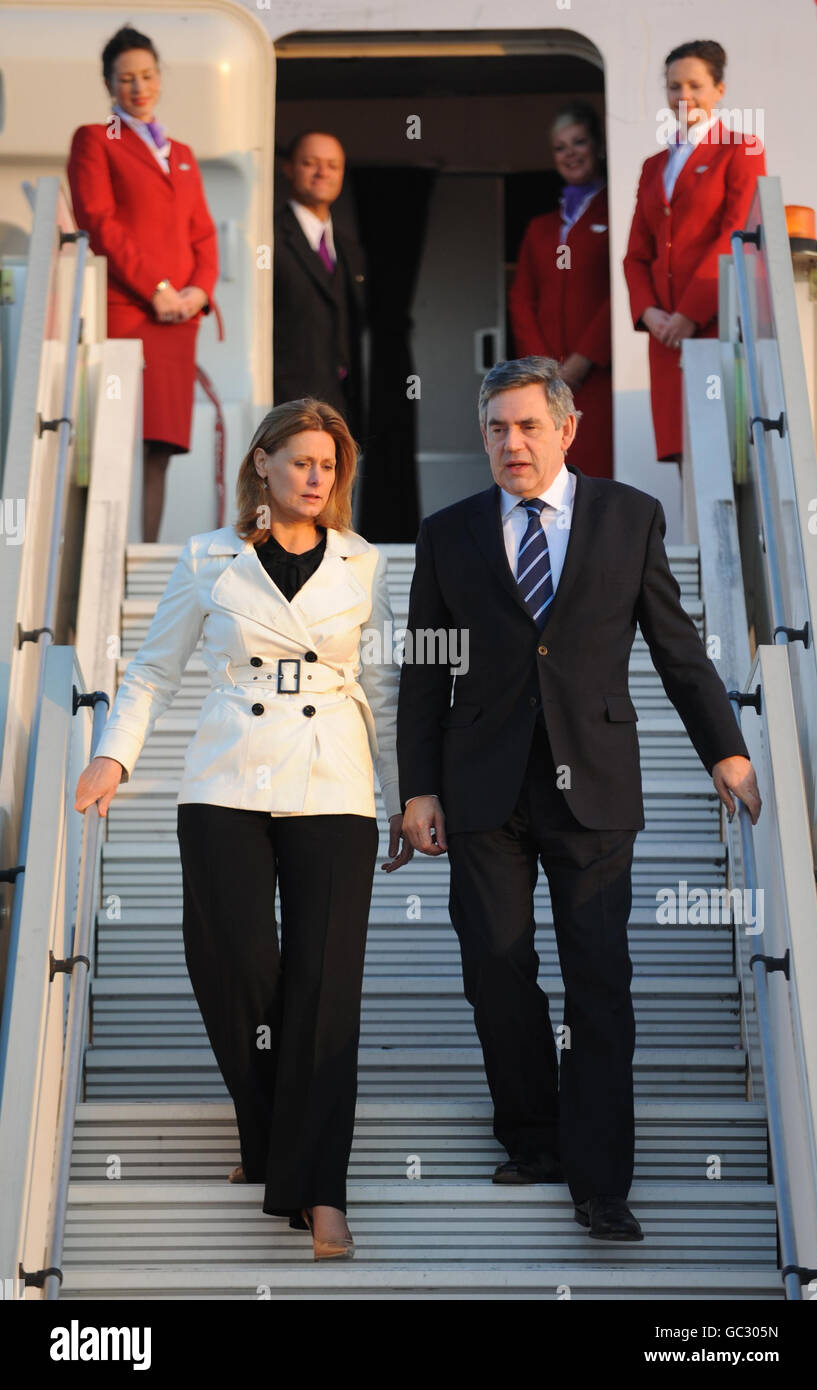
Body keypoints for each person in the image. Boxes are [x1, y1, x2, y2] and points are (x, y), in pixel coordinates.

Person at [396, 356, 762, 1241]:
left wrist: (725, 750)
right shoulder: (447, 535)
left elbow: (677, 648)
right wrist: (416, 788)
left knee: (598, 981)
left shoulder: (628, 518)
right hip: (482, 789)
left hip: (593, 787)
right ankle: (533, 1138)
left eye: (526, 426)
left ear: (567, 429)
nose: (510, 443)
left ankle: (602, 1184)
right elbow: (423, 672)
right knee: (496, 968)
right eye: (495, 427)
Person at [74, 398, 412, 1259]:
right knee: (230, 963)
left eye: (328, 465)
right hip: (226, 776)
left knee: (325, 986)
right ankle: (265, 1134)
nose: (314, 477)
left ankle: (319, 1189)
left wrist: (406, 793)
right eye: (299, 460)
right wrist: (115, 756)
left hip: (332, 781)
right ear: (260, 464)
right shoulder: (208, 556)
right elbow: (152, 670)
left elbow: (386, 688)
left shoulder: (363, 563)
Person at [67, 25, 221, 541]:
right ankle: (106, 546)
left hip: (178, 318)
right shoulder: (94, 139)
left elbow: (202, 232)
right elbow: (101, 221)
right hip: (130, 309)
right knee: (115, 434)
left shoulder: (181, 152)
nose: (139, 87)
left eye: (147, 75)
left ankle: (146, 547)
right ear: (110, 84)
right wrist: (157, 288)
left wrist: (198, 291)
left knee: (161, 444)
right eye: (126, 78)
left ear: (160, 78)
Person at [623, 39, 766, 464]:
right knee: (685, 456)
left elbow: (735, 231)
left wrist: (690, 312)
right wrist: (649, 313)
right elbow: (635, 254)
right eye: (673, 87)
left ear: (719, 90)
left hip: (711, 323)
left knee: (723, 454)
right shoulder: (654, 165)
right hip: (666, 333)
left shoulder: (740, 149)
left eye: (695, 85)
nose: (683, 96)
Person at [509, 104, 612, 479]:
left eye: (579, 142)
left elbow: (617, 291)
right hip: (547, 381)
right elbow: (521, 298)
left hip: (598, 376)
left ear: (597, 147)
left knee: (595, 473)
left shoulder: (616, 212)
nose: (571, 154)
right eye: (561, 147)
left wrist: (583, 360)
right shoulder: (540, 227)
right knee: (548, 473)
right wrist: (543, 366)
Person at [274, 131, 366, 436]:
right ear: (288, 168)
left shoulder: (349, 248)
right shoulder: (269, 237)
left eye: (332, 165)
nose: (322, 173)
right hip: (285, 406)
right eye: (310, 163)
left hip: (340, 407)